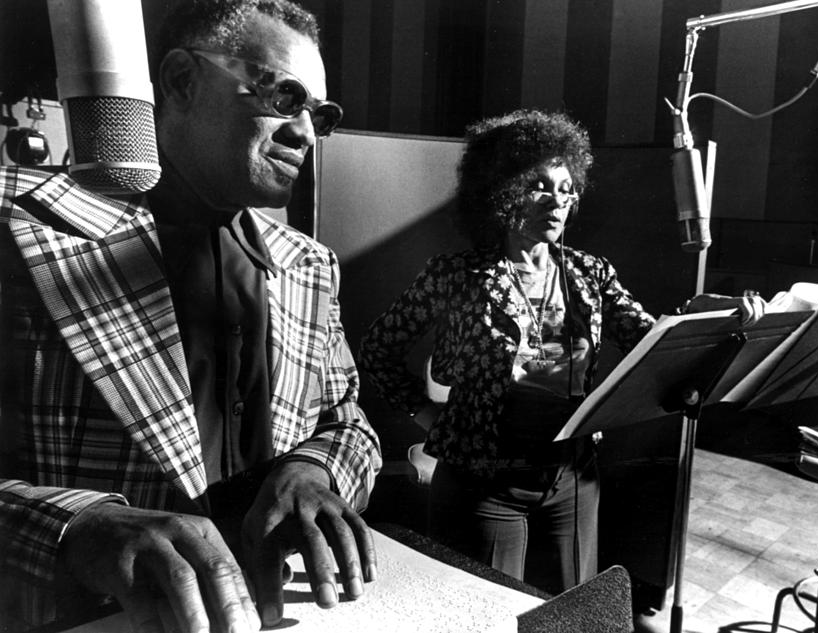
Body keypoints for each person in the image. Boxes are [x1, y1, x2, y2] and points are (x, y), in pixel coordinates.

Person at [0, 1, 381, 631]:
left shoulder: (308, 265)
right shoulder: (21, 235)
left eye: (321, 115)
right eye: (286, 98)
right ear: (180, 81)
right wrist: (70, 528)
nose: (307, 135)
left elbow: (349, 423)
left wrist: (314, 469)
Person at [358, 110, 763, 608]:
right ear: (501, 190)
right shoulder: (456, 274)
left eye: (567, 188)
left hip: (572, 474)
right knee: (486, 611)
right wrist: (427, 415)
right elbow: (378, 350)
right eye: (539, 186)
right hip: (484, 480)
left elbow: (651, 339)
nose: (558, 202)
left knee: (571, 613)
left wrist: (706, 317)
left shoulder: (590, 273)